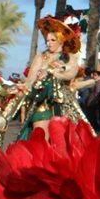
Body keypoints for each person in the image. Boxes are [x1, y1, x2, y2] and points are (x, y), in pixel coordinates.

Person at [13, 13, 89, 141]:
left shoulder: (68, 58)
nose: (48, 43)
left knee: (65, 141)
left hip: (63, 102)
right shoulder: (40, 57)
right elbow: (31, 79)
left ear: (60, 40)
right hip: (42, 101)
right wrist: (24, 87)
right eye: (47, 40)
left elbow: (71, 72)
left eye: (52, 40)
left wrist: (54, 72)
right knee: (40, 139)